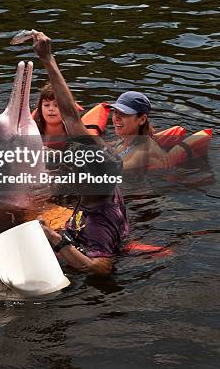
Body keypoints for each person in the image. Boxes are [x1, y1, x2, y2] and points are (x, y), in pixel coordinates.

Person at [32, 30, 129, 276]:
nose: (69, 173)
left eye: (74, 171)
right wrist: (48, 59)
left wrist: (57, 240)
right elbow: (71, 116)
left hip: (91, 246)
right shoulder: (104, 179)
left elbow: (102, 269)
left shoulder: (98, 223)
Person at [110, 91, 169, 170]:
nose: (116, 118)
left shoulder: (143, 153)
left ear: (142, 119)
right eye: (115, 112)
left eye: (123, 114)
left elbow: (111, 170)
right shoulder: (127, 139)